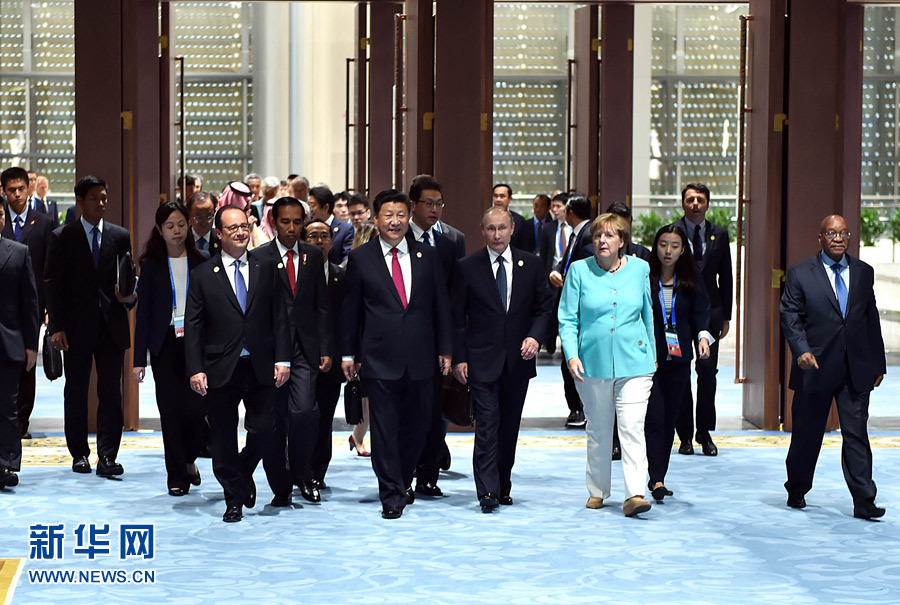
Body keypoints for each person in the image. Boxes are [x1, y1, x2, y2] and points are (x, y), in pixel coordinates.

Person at [341, 189, 452, 519]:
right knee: (385, 430)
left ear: (409, 217)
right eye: (388, 215)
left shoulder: (427, 256)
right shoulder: (361, 258)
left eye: (401, 215)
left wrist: (446, 348)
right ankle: (390, 494)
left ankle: (402, 481)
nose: (395, 221)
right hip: (379, 359)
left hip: (422, 357)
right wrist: (348, 353)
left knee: (418, 428)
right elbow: (350, 311)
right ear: (376, 219)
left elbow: (441, 307)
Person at [184, 205, 292, 522]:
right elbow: (194, 325)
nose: (241, 232)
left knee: (265, 428)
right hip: (220, 367)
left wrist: (283, 358)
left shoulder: (267, 266)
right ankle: (233, 499)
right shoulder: (203, 274)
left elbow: (281, 316)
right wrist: (196, 368)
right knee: (222, 437)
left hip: (262, 364)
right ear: (219, 234)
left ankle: (242, 472)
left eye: (244, 226)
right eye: (233, 228)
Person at [780, 214, 887, 520]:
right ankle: (797, 488)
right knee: (807, 434)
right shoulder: (800, 273)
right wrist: (801, 351)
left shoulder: (864, 272)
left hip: (855, 368)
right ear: (820, 238)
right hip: (813, 366)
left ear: (849, 237)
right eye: (831, 233)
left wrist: (877, 362)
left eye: (843, 233)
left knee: (856, 434)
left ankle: (864, 499)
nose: (838, 238)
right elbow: (790, 315)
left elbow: (870, 317)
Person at [452, 207, 552, 512]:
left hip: (518, 360)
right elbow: (458, 318)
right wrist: (459, 358)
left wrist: (535, 336)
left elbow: (543, 307)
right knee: (487, 425)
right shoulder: (467, 267)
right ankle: (487, 490)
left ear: (512, 230)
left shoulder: (531, 264)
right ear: (482, 231)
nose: (497, 235)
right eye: (491, 229)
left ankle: (502, 485)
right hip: (481, 360)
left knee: (509, 427)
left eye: (502, 228)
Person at [558, 213, 656, 517]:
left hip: (635, 362)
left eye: (610, 235)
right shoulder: (578, 270)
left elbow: (648, 313)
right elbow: (567, 318)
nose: (602, 240)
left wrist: (652, 355)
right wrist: (571, 354)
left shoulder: (640, 268)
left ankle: (635, 494)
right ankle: (598, 490)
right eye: (598, 235)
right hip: (591, 362)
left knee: (631, 427)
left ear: (622, 241)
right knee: (599, 430)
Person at [45, 175, 137, 477]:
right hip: (74, 328)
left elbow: (128, 277)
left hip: (112, 326)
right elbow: (52, 283)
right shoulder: (62, 236)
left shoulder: (119, 236)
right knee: (76, 391)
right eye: (95, 198)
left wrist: (129, 297)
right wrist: (56, 326)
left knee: (111, 392)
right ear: (80, 201)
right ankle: (79, 454)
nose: (101, 203)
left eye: (104, 197)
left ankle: (108, 456)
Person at [132, 202, 208, 496]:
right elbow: (143, 314)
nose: (176, 231)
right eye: (169, 226)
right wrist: (139, 359)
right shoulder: (151, 264)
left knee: (197, 409)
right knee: (170, 412)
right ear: (160, 230)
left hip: (196, 344)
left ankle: (188, 459)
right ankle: (176, 475)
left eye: (181, 224)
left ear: (188, 226)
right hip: (164, 345)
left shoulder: (202, 261)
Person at [259, 197, 331, 505]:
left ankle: (303, 472)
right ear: (273, 222)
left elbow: (321, 304)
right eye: (285, 222)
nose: (291, 228)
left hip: (304, 347)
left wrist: (325, 347)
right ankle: (280, 484)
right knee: (273, 420)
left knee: (303, 412)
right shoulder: (258, 257)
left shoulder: (312, 255)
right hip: (269, 350)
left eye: (297, 222)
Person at [645, 225, 713, 502]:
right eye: (663, 244)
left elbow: (702, 312)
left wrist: (703, 338)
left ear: (683, 249)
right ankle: (654, 478)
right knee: (654, 419)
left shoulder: (690, 279)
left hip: (679, 358)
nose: (668, 251)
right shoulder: (645, 278)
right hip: (649, 360)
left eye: (674, 246)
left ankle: (659, 476)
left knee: (669, 419)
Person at [406, 174, 460, 498]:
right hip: (404, 340)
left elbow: (454, 298)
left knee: (436, 412)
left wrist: (452, 345)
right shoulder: (398, 239)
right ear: (413, 204)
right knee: (408, 412)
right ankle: (404, 474)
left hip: (439, 343)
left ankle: (428, 475)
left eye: (439, 204)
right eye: (428, 203)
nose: (435, 209)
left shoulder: (451, 242)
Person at [672, 183, 732, 457]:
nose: (695, 204)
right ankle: (684, 435)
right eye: (690, 200)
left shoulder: (719, 234)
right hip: (680, 311)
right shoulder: (672, 232)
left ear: (707, 204)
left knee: (707, 372)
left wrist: (726, 316)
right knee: (681, 372)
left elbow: (726, 277)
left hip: (711, 313)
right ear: (683, 203)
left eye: (700, 200)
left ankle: (705, 433)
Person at [1, 167, 53, 440]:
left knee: (27, 363)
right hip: (6, 306)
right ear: (4, 191)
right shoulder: (1, 221)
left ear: (29, 188)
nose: (17, 194)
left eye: (21, 188)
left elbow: (50, 269)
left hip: (33, 304)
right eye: (12, 190)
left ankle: (22, 421)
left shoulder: (43, 222)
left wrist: (49, 308)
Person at [303, 219, 347, 488]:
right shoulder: (294, 274)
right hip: (299, 358)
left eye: (324, 236)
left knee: (324, 417)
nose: (319, 241)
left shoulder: (341, 276)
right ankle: (298, 466)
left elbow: (347, 321)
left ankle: (318, 471)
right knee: (301, 416)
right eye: (312, 236)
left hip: (332, 360)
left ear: (332, 241)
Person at [0, 203, 39, 489]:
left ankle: (6, 463)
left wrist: (31, 345)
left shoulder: (19, 252)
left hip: (9, 342)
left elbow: (30, 303)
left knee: (7, 406)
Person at [549, 194, 593, 429]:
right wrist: (557, 271)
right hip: (567, 299)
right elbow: (565, 260)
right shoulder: (577, 234)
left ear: (571, 212)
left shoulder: (588, 235)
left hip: (580, 307)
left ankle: (579, 409)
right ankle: (577, 407)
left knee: (572, 360)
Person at [348, 222, 378, 457]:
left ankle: (358, 437)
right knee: (368, 398)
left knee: (372, 399)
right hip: (363, 343)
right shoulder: (355, 267)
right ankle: (359, 438)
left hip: (381, 342)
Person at [538, 192, 569, 355]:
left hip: (569, 275)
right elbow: (544, 255)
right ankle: (549, 343)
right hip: (552, 275)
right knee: (551, 309)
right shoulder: (548, 228)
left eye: (558, 206)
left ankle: (566, 346)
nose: (554, 210)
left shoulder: (575, 229)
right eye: (553, 206)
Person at [308, 186, 354, 265]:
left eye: (313, 205)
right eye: (309, 205)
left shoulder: (345, 229)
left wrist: (337, 270)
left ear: (326, 207)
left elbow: (347, 256)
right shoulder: (308, 227)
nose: (310, 209)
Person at [491, 183, 528, 251]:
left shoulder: (519, 221)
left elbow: (524, 246)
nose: (498, 199)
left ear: (510, 199)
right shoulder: (486, 218)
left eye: (502, 196)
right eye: (495, 196)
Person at [186, 191, 220, 256]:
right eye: (198, 217)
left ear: (214, 212)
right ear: (189, 215)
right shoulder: (182, 240)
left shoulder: (222, 240)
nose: (204, 222)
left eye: (208, 217)